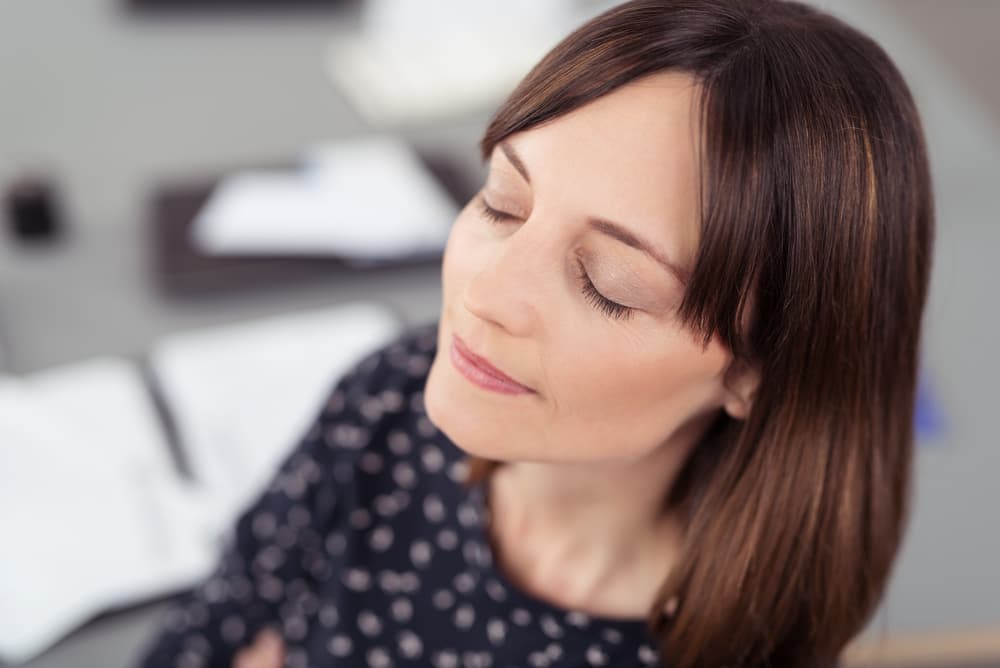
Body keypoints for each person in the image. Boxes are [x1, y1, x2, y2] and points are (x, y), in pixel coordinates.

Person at [135, 1, 934, 666]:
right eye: (502, 203)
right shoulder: (389, 404)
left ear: (759, 372)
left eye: (608, 285)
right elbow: (207, 629)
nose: (486, 291)